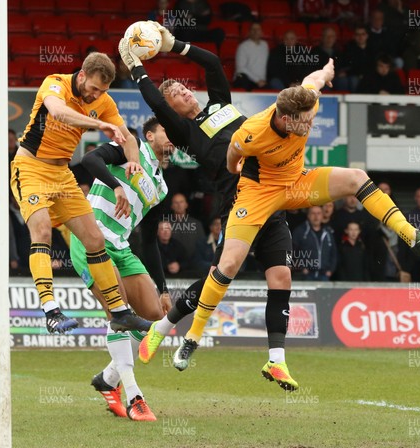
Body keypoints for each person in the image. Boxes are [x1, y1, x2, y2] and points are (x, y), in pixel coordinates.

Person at [171, 57, 420, 374]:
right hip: (258, 192)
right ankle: (192, 337)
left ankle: (412, 235)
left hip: (298, 184)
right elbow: (233, 154)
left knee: (357, 177)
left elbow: (314, 78)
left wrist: (328, 71)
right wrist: (235, 172)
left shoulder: (306, 102)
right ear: (284, 118)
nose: (308, 125)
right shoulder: (254, 131)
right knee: (228, 264)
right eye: (302, 122)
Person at [119, 24, 298, 391]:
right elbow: (154, 101)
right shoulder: (185, 132)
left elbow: (214, 62)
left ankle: (276, 361)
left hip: (270, 197)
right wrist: (137, 68)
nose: (183, 91)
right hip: (239, 204)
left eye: (183, 87)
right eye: (176, 95)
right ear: (174, 112)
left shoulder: (220, 105)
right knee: (220, 278)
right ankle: (165, 326)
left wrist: (176, 46)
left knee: (281, 278)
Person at [10, 52, 149, 334]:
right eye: (94, 88)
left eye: (103, 91)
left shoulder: (103, 101)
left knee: (95, 239)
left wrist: (133, 159)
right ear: (82, 75)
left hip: (62, 174)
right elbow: (60, 112)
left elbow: (129, 139)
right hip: (31, 167)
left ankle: (120, 312)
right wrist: (100, 124)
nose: (96, 95)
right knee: (43, 231)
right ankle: (51, 310)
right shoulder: (55, 83)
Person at [71, 116, 173, 422]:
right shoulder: (132, 147)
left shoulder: (161, 187)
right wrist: (116, 185)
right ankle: (134, 398)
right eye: (168, 132)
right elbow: (90, 159)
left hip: (122, 246)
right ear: (150, 135)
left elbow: (149, 239)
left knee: (155, 318)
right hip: (91, 236)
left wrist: (164, 287)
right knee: (118, 313)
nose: (173, 141)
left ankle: (107, 378)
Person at [292, 206, 337, 281]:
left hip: (324, 275)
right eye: (313, 213)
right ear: (308, 215)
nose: (316, 216)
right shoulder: (300, 231)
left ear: (322, 215)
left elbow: (334, 253)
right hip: (306, 275)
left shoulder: (328, 232)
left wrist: (330, 270)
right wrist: (301, 268)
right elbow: (291, 252)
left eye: (319, 213)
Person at [167, 192, 205, 266]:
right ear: (172, 206)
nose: (179, 205)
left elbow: (202, 245)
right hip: (173, 265)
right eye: (176, 202)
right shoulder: (166, 225)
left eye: (181, 202)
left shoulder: (197, 224)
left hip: (194, 264)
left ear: (186, 205)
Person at [234, 22, 269, 91]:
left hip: (261, 81)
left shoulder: (265, 45)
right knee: (242, 77)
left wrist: (261, 81)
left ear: (261, 32)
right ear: (249, 32)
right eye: (253, 29)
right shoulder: (243, 46)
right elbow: (240, 68)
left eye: (258, 29)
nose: (256, 31)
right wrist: (257, 80)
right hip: (247, 80)